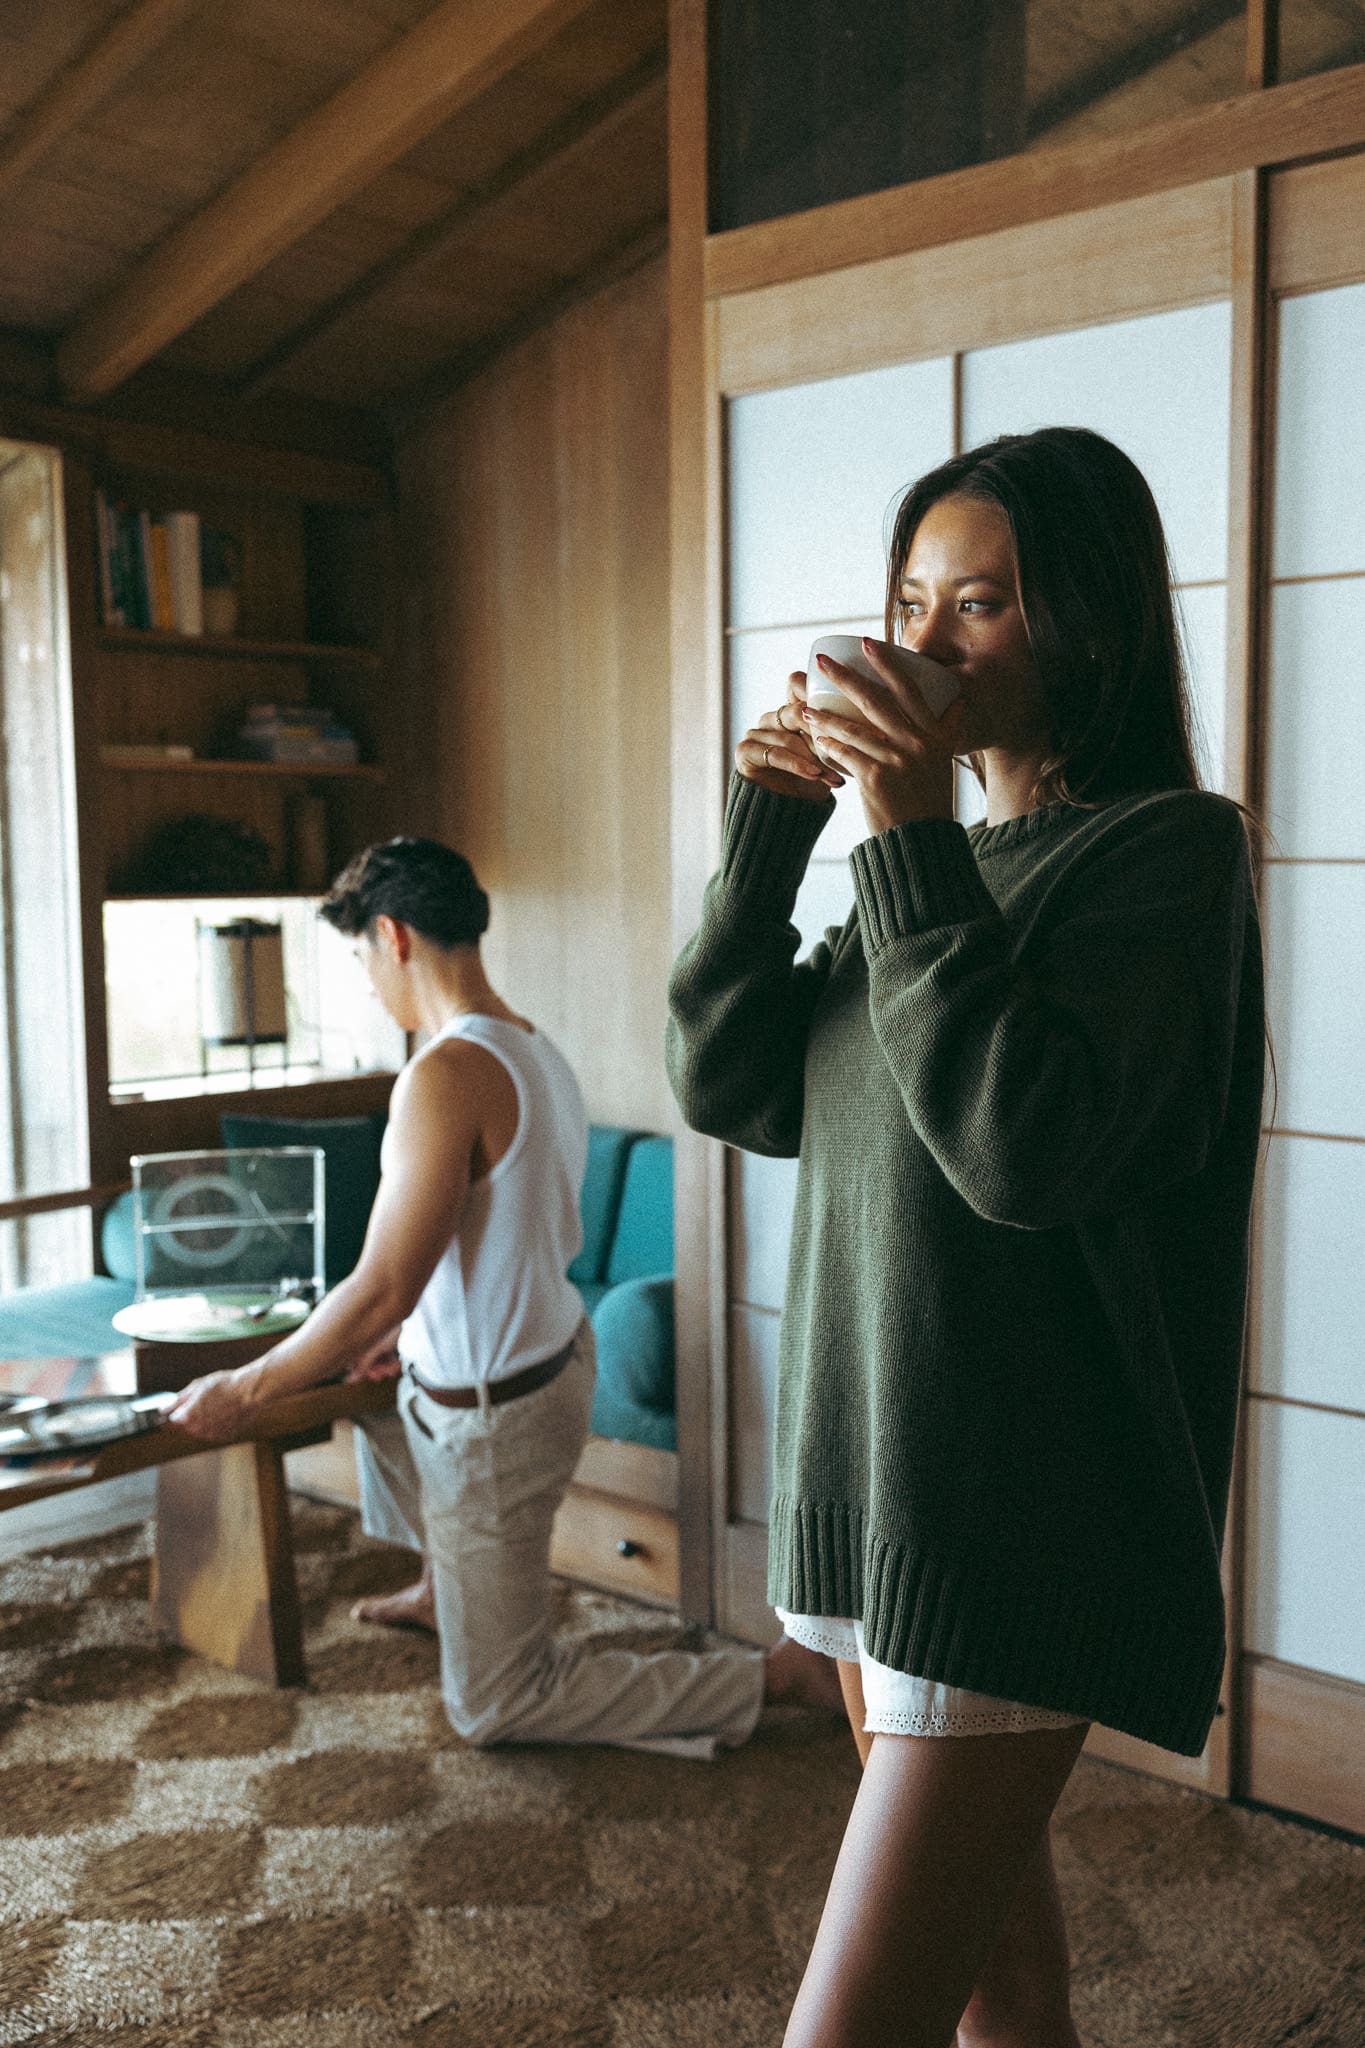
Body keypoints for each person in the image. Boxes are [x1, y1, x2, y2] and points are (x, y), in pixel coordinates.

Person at [666, 427, 1265, 2046]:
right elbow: (733, 1079)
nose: (924, 645)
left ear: (1086, 624)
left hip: (1011, 1504)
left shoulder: (1166, 853)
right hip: (873, 1483)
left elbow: (1025, 1144)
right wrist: (774, 823)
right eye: (912, 601)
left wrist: (908, 832)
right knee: (1001, 1979)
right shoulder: (915, 869)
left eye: (980, 605)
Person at [171, 836, 839, 1753]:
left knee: (495, 1705)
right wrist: (397, 1339)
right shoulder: (529, 1046)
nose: (367, 982)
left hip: (500, 1411)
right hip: (542, 1356)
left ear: (394, 936)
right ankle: (447, 1590)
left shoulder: (443, 1073)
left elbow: (382, 1286)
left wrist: (247, 1388)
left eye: (362, 956)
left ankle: (771, 1676)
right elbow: (473, 1250)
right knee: (378, 1396)